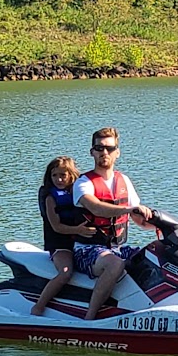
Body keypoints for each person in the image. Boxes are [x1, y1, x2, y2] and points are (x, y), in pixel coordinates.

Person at [71, 127, 153, 319]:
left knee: (156, 254)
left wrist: (161, 226)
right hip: (87, 250)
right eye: (99, 148)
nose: (104, 153)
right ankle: (90, 316)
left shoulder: (123, 180)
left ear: (117, 152)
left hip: (116, 247)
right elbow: (97, 208)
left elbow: (138, 217)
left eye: (109, 148)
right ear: (92, 152)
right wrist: (128, 209)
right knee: (115, 264)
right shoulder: (83, 183)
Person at [30, 155, 91, 315]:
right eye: (54, 175)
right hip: (60, 244)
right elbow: (56, 227)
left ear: (72, 175)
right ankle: (39, 306)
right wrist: (78, 230)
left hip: (80, 241)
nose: (58, 179)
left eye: (63, 175)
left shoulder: (81, 194)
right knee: (65, 272)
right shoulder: (51, 198)